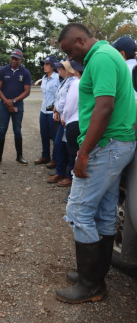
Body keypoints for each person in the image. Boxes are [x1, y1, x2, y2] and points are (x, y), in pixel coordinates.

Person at [56, 23, 136, 304]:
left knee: (78, 211)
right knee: (103, 212)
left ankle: (90, 285)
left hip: (106, 146)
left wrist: (84, 153)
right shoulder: (108, 54)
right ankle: (95, 276)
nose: (71, 59)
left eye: (70, 51)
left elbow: (105, 107)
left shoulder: (101, 58)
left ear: (80, 40)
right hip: (116, 144)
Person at [0, 49, 31, 166]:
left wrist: (13, 101)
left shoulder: (25, 72)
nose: (14, 60)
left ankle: (19, 156)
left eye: (16, 58)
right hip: (4, 105)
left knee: (17, 130)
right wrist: (6, 101)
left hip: (18, 104)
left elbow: (27, 91)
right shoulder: (3, 70)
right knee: (2, 130)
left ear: (21, 59)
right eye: (12, 58)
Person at [46, 59, 73, 184]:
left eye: (60, 68)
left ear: (67, 69)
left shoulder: (74, 82)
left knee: (68, 148)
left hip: (68, 119)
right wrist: (56, 110)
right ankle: (61, 172)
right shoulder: (65, 81)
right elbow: (59, 97)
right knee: (58, 145)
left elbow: (67, 100)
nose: (58, 70)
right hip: (62, 117)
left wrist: (57, 109)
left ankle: (68, 175)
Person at [60, 60, 84, 191]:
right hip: (85, 122)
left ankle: (74, 187)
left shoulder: (76, 83)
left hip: (74, 121)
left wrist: (64, 117)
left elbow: (69, 105)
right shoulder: (89, 81)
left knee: (73, 154)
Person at [34, 56, 60, 167]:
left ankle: (55, 159)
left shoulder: (58, 77)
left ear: (53, 66)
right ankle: (45, 156)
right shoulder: (44, 78)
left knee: (54, 136)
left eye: (47, 64)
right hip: (43, 110)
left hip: (53, 111)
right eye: (44, 64)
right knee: (44, 134)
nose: (44, 66)